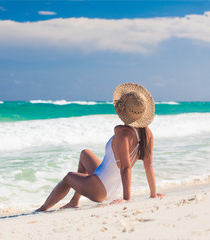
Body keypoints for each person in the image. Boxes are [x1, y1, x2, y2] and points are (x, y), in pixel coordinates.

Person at [36, 83, 164, 211]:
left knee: (68, 177)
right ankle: (75, 201)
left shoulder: (122, 132)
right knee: (85, 154)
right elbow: (148, 165)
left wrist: (127, 198)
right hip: (111, 186)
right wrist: (153, 194)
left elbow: (126, 167)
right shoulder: (147, 133)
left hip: (100, 190)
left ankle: (42, 208)